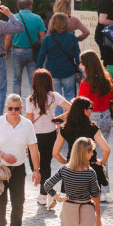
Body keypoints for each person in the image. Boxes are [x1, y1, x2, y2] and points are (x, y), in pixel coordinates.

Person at [0, 94, 40, 226]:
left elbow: (33, 147)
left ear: (21, 109)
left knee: (18, 201)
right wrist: (2, 155)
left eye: (16, 109)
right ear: (6, 108)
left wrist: (36, 170)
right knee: (0, 200)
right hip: (1, 169)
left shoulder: (27, 124)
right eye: (10, 108)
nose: (13, 111)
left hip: (18, 169)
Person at [53, 96, 111, 212]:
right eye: (90, 108)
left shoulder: (65, 128)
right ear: (84, 110)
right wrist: (102, 162)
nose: (92, 110)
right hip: (90, 168)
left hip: (71, 169)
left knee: (72, 204)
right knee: (92, 205)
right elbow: (106, 149)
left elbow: (55, 152)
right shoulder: (92, 127)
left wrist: (66, 162)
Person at [26, 70, 71, 206]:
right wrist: (60, 118)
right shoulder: (54, 96)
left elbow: (29, 121)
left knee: (35, 165)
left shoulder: (30, 99)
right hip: (50, 133)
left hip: (35, 136)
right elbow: (72, 108)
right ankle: (45, 194)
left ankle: (46, 193)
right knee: (46, 164)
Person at [37, 12, 81, 102]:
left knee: (55, 96)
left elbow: (41, 55)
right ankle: (70, 114)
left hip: (52, 70)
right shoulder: (71, 37)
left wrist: (38, 68)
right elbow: (77, 53)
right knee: (70, 94)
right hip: (68, 70)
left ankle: (58, 116)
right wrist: (77, 65)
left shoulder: (48, 38)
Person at [7, 0, 46, 97]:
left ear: (18, 6)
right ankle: (35, 102)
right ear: (30, 6)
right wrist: (42, 51)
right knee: (34, 79)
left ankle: (16, 103)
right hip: (33, 52)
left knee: (16, 79)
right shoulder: (37, 18)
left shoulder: (13, 18)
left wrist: (5, 51)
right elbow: (42, 37)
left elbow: (9, 37)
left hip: (16, 51)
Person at [77, 50, 113, 143]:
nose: (80, 65)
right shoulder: (107, 77)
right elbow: (112, 96)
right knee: (103, 146)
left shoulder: (86, 83)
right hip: (107, 116)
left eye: (81, 63)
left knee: (91, 148)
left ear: (87, 65)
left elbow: (81, 104)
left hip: (92, 117)